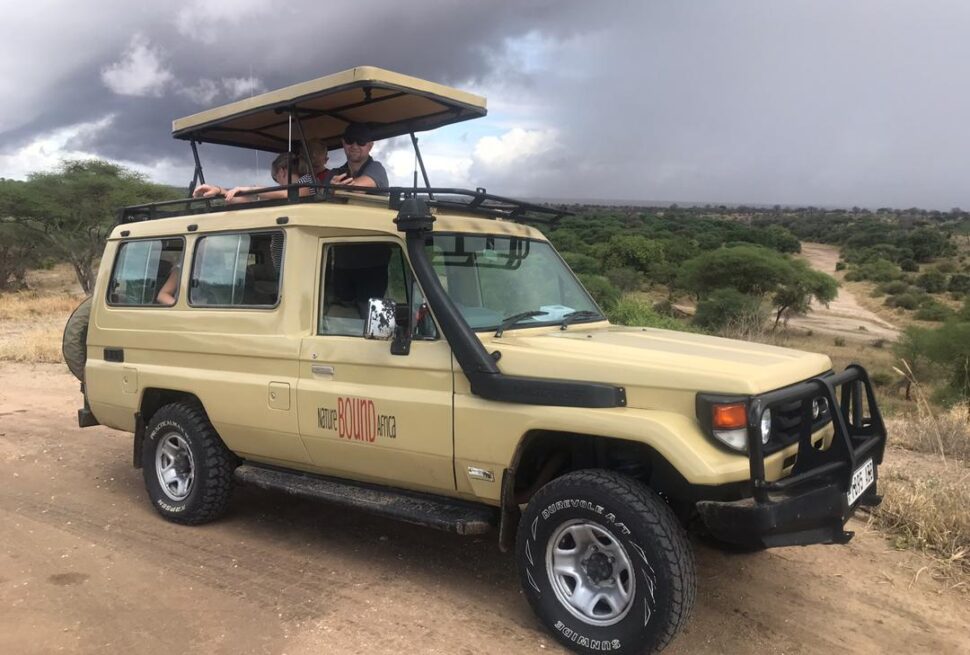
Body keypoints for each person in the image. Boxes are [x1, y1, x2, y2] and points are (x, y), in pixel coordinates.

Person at [192, 151, 313, 204]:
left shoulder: (307, 183)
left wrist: (251, 189)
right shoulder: (283, 193)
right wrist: (220, 191)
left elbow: (289, 193)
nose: (278, 184)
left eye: (276, 178)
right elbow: (247, 202)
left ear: (282, 172)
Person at [329, 123, 389, 190]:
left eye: (361, 141)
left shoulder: (377, 169)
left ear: (370, 146)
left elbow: (358, 188)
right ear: (343, 143)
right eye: (349, 140)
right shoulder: (334, 173)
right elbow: (320, 194)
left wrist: (333, 188)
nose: (354, 146)